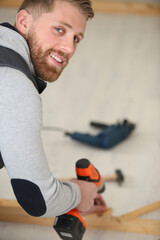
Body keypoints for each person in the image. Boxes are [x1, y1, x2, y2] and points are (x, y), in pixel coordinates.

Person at [0, 0, 106, 218]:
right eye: (59, 29)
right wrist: (81, 193)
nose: (69, 48)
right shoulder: (14, 84)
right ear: (24, 21)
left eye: (76, 38)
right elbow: (39, 200)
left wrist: (67, 198)